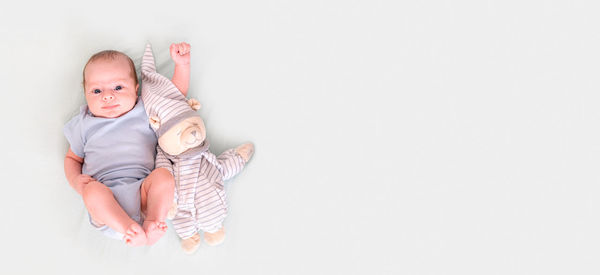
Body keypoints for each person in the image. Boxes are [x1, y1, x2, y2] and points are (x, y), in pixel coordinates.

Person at [63, 42, 191, 246]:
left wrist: (182, 65)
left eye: (118, 87)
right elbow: (72, 158)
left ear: (136, 89)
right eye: (96, 91)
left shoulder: (144, 110)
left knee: (163, 177)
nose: (107, 95)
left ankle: (153, 221)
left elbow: (173, 99)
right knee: (92, 192)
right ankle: (128, 229)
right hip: (106, 201)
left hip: (143, 194)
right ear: (86, 94)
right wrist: (75, 180)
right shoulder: (84, 123)